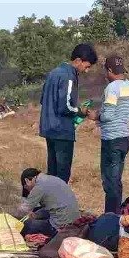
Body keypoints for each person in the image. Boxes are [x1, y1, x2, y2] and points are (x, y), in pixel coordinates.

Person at [39, 44, 98, 183]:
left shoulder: (54, 72)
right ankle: (60, 204)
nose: (87, 70)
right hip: (62, 130)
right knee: (62, 175)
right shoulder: (69, 76)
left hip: (49, 128)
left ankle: (50, 203)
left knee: (52, 172)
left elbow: (43, 100)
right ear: (78, 60)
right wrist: (80, 111)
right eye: (87, 66)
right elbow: (65, 107)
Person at [90, 55, 129, 213]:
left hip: (111, 140)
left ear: (110, 70)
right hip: (124, 138)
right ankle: (116, 216)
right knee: (116, 179)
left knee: (110, 181)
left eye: (106, 71)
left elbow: (108, 115)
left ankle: (111, 218)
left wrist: (95, 116)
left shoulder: (112, 88)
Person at [13, 167, 80, 238]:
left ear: (27, 181)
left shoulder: (38, 187)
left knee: (26, 224)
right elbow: (50, 205)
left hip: (60, 226)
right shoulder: (51, 179)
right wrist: (36, 215)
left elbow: (23, 210)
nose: (29, 191)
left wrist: (10, 216)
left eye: (26, 188)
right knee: (37, 210)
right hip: (73, 219)